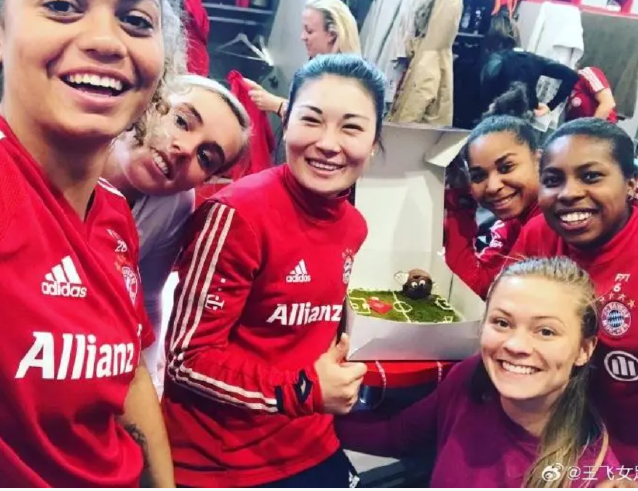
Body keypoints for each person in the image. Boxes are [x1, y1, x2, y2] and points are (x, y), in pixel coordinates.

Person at [161, 54, 383, 487]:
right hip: (224, 462)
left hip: (311, 440)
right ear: (286, 123)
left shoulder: (354, 225)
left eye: (351, 128)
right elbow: (187, 359)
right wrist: (303, 389)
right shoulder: (238, 214)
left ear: (374, 144)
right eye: (311, 120)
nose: (328, 143)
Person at [0, 0, 183, 486]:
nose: (106, 40)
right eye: (62, 6)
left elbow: (129, 373)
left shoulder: (113, 212)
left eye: (136, 21)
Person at [337, 257, 618, 488]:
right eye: (502, 323)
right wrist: (314, 409)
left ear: (584, 349)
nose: (515, 345)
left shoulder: (594, 478)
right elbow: (397, 435)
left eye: (546, 331)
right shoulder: (471, 377)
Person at [509, 118, 638, 468]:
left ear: (630, 184)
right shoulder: (538, 234)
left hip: (627, 458)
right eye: (553, 180)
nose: (569, 193)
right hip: (540, 435)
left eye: (591, 176)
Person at [102, 74, 251, 396]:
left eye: (205, 158)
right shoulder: (56, 148)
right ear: (150, 103)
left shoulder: (175, 203)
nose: (185, 148)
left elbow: (147, 296)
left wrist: (152, 387)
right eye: (181, 121)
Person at [445, 110, 541, 299]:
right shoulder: (513, 223)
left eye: (506, 168)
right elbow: (476, 287)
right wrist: (460, 204)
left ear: (539, 161)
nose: (493, 186)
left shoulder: (555, 224)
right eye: (478, 176)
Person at [244, 0, 361, 119]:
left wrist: (277, 105)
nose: (303, 37)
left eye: (309, 31)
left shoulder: (345, 82)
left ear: (331, 34)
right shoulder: (317, 73)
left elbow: (318, 120)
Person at [481, 49, 579, 118]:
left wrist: (550, 106)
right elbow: (571, 76)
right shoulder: (535, 60)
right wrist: (550, 106)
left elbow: (488, 80)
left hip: (499, 113)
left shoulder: (497, 58)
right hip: (525, 115)